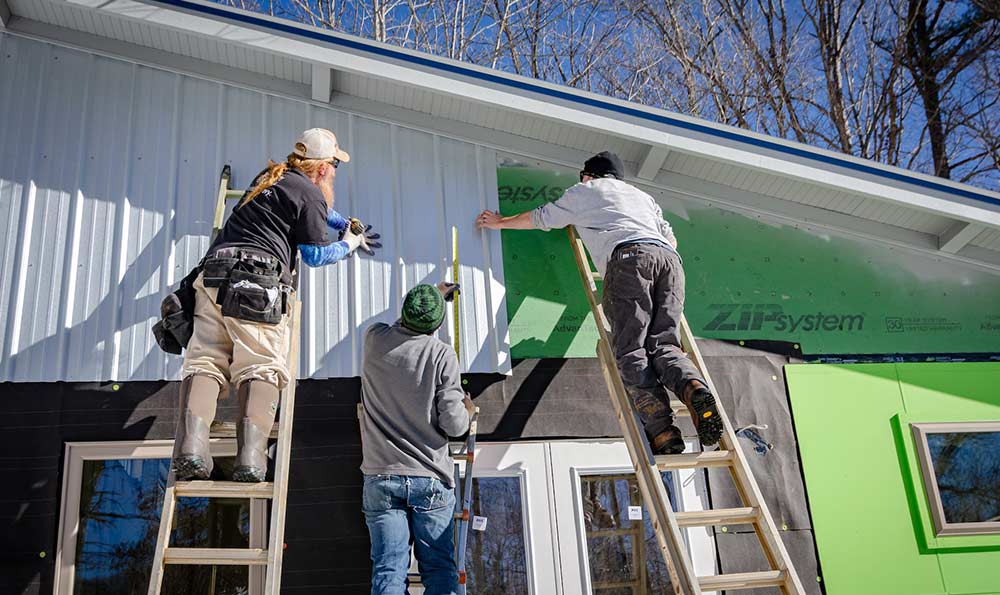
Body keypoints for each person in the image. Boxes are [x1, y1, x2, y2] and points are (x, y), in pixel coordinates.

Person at [475, 151, 722, 454]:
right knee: (666, 345)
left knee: (632, 349)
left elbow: (543, 217)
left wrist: (500, 222)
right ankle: (693, 387)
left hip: (629, 261)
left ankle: (663, 433)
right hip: (670, 263)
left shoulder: (587, 190)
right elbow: (671, 241)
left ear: (589, 175)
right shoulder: (643, 197)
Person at [173, 128, 380, 483]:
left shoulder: (271, 178)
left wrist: (343, 222)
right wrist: (348, 242)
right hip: (256, 283)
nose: (334, 172)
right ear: (321, 169)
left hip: (213, 274)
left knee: (205, 360)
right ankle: (251, 459)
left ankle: (191, 449)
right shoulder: (311, 194)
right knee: (261, 365)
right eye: (334, 166)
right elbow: (314, 255)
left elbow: (313, 208)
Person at [360, 282, 474, 595]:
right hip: (429, 480)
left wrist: (431, 296)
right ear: (437, 325)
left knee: (388, 570)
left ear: (404, 312)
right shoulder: (441, 354)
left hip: (381, 476)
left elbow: (398, 327)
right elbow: (453, 425)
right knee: (438, 570)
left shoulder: (374, 339)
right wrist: (467, 408)